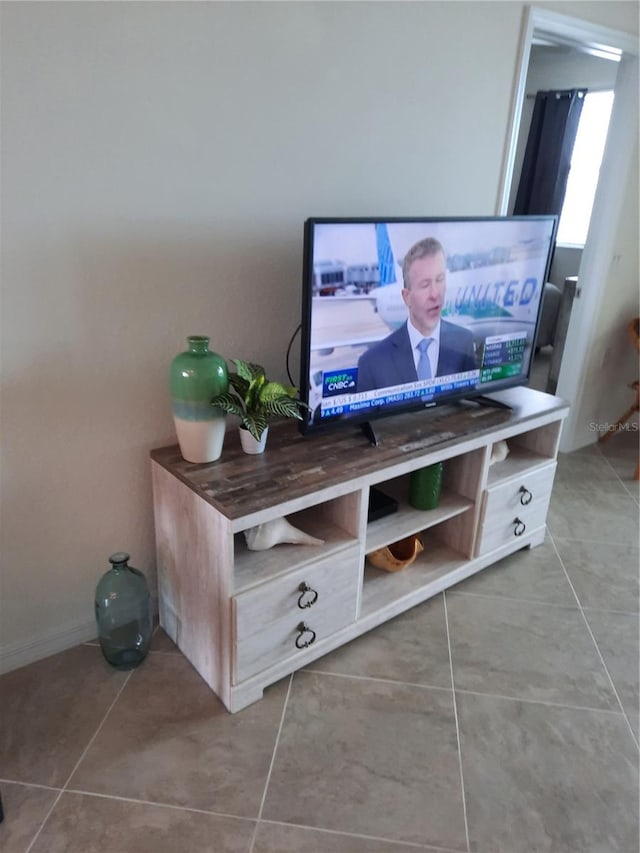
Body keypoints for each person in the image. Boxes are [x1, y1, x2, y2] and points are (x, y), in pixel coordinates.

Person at [357, 237, 477, 392]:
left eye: (440, 280)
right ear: (407, 297)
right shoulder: (372, 363)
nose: (435, 294)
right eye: (425, 284)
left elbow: (469, 406)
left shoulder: (463, 342)